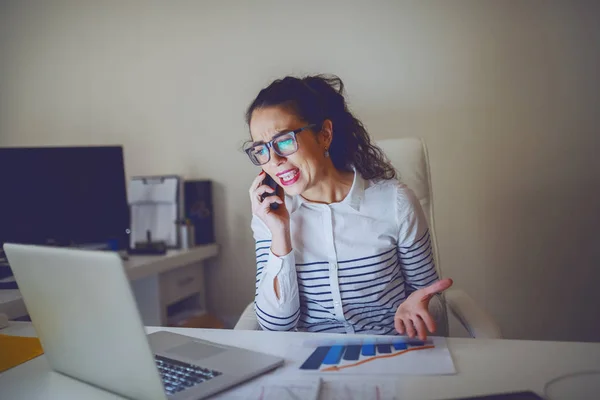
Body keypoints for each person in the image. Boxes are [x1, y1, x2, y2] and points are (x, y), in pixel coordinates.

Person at [244, 75, 453, 339]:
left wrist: (418, 306)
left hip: (388, 355)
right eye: (261, 150)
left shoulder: (396, 202)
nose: (273, 160)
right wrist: (279, 234)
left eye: (284, 141)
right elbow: (276, 326)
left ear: (324, 134)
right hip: (310, 363)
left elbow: (430, 296)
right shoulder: (270, 214)